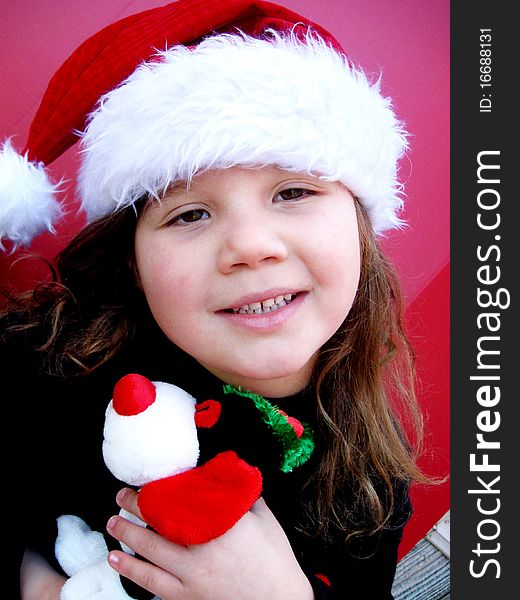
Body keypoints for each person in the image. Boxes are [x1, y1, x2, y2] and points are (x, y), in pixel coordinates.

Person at [0, 0, 430, 598]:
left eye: (293, 190)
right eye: (191, 213)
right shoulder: (47, 370)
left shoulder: (373, 474)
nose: (251, 247)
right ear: (135, 263)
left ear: (359, 225)